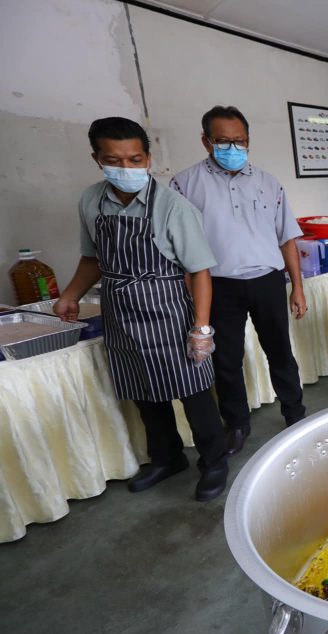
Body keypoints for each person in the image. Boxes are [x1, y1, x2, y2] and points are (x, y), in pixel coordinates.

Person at [54, 117, 229, 501]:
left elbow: (200, 271)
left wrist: (201, 328)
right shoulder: (91, 201)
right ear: (97, 159)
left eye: (135, 159)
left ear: (148, 158)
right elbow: (92, 259)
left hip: (168, 313)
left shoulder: (173, 207)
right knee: (145, 392)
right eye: (114, 161)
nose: (126, 169)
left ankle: (214, 462)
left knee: (194, 393)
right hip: (120, 312)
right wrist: (70, 294)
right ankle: (167, 458)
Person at [171, 105, 307, 456]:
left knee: (280, 352)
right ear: (205, 141)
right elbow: (181, 248)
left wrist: (298, 288)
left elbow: (286, 238)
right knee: (227, 360)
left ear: (249, 141)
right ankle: (237, 424)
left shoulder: (268, 182)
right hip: (217, 286)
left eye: (240, 141)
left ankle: (296, 413)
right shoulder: (183, 185)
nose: (232, 148)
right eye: (223, 141)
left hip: (267, 281)